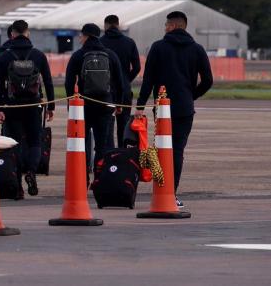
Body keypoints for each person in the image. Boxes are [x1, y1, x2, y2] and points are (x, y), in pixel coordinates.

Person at [135, 11, 212, 207]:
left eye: (166, 25)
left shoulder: (158, 47)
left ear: (173, 26)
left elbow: (148, 79)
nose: (164, 28)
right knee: (177, 151)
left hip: (162, 109)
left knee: (161, 150)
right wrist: (191, 95)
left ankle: (160, 191)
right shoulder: (197, 49)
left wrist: (140, 106)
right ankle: (172, 193)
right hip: (184, 108)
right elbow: (208, 80)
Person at [0, 20, 54, 196]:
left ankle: (18, 185)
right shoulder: (38, 55)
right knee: (35, 142)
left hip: (12, 106)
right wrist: (51, 106)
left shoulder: (5, 56)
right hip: (33, 105)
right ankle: (32, 171)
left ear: (12, 34)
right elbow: (48, 82)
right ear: (27, 33)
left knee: (14, 143)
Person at [64, 23, 125, 182]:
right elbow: (120, 82)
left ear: (86, 36)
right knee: (102, 145)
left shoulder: (78, 55)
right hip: (105, 105)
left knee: (82, 143)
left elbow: (69, 82)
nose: (80, 37)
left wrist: (71, 104)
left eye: (81, 35)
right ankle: (100, 178)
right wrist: (118, 103)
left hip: (84, 106)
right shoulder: (110, 54)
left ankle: (83, 178)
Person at [100, 15, 141, 148]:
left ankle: (108, 154)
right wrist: (126, 80)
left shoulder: (100, 42)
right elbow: (137, 67)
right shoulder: (129, 42)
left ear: (105, 26)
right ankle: (122, 154)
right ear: (118, 25)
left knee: (106, 126)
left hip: (105, 90)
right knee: (123, 125)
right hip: (124, 90)